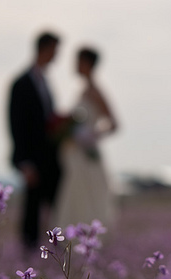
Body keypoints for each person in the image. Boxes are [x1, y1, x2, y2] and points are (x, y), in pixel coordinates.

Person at [51, 47, 118, 230]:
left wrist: (92, 135)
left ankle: (89, 239)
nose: (75, 65)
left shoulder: (95, 91)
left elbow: (114, 124)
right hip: (76, 155)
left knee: (89, 197)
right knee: (76, 196)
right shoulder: (84, 90)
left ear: (88, 63)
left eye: (78, 61)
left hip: (87, 155)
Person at [8, 31, 62, 249]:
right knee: (32, 208)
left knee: (54, 207)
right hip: (33, 160)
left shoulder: (45, 82)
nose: (56, 56)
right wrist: (24, 162)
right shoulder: (21, 83)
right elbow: (15, 124)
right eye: (54, 51)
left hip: (51, 157)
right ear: (44, 49)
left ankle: (54, 252)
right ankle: (29, 254)